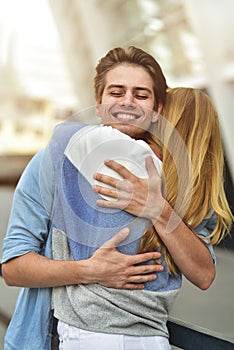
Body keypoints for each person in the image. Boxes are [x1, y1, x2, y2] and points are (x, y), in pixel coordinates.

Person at [0, 46, 230, 349]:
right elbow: (13, 268)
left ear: (157, 110)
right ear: (98, 104)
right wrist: (90, 271)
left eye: (141, 95)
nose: (128, 103)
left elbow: (203, 274)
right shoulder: (54, 163)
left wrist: (159, 210)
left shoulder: (179, 185)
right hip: (48, 335)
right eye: (116, 92)